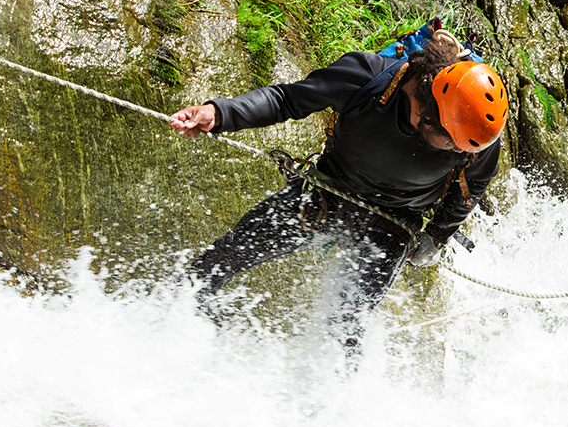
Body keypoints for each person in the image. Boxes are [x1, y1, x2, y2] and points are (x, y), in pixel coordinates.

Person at [168, 32, 508, 353]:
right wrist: (220, 113)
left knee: (346, 328)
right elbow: (287, 99)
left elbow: (472, 186)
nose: (458, 152)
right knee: (225, 256)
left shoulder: (474, 136)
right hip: (328, 192)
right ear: (427, 112)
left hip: (395, 224)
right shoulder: (367, 78)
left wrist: (435, 236)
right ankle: (173, 326)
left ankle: (333, 401)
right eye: (451, 142)